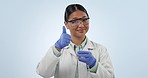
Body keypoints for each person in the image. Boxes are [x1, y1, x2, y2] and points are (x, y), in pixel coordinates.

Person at [36, 4, 115, 78]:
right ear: (66, 24)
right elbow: (43, 72)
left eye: (84, 20)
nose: (81, 25)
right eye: (74, 21)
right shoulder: (59, 50)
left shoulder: (100, 50)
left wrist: (94, 65)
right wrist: (57, 48)